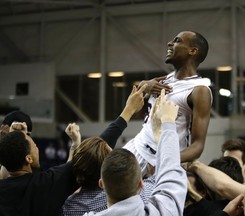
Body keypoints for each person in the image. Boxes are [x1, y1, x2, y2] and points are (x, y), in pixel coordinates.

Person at [0, 85, 147, 216]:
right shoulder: (45, 186)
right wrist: (129, 111)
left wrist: (13, 138)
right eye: (34, 145)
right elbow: (95, 150)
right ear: (28, 159)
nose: (37, 147)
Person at [85, 89, 187, 216]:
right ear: (141, 183)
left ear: (101, 184)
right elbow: (171, 177)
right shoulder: (163, 212)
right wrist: (167, 122)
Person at [124, 30, 212, 175]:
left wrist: (166, 160)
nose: (169, 43)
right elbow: (135, 111)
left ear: (193, 51)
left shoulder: (199, 90)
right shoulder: (167, 79)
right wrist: (145, 85)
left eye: (177, 41)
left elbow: (197, 147)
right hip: (136, 147)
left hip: (160, 161)